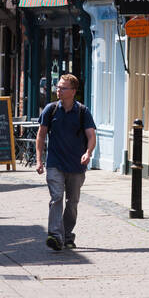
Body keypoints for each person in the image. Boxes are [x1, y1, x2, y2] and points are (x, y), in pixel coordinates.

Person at [35, 73, 96, 250]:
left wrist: (88, 153)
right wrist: (39, 160)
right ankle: (55, 235)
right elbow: (41, 135)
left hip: (76, 165)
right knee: (56, 197)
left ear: (73, 91)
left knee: (72, 202)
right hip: (55, 163)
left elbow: (91, 135)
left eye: (63, 87)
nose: (58, 90)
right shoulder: (50, 109)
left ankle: (67, 235)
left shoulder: (83, 112)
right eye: (58, 86)